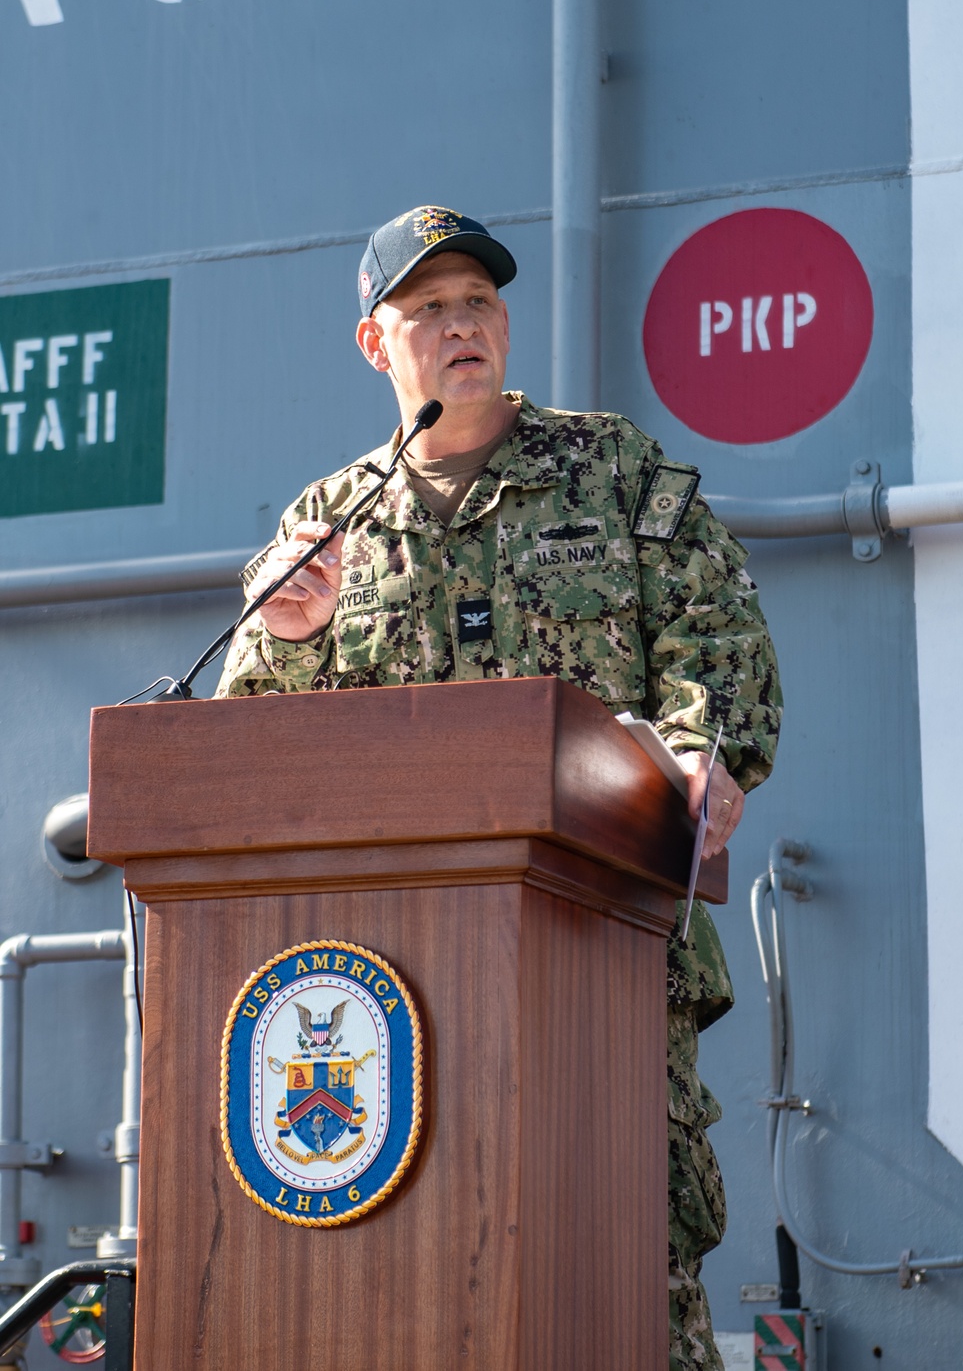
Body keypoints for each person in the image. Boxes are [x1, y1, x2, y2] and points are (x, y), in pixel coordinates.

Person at [216, 205, 782, 1370]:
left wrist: (705, 752)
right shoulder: (328, 525)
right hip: (391, 990)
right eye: (428, 310)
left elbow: (718, 644)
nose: (460, 326)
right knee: (410, 1276)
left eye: (477, 303)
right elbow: (242, 755)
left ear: (506, 324)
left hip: (607, 952)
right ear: (377, 345)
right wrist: (295, 634)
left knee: (626, 1264)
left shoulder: (612, 467)